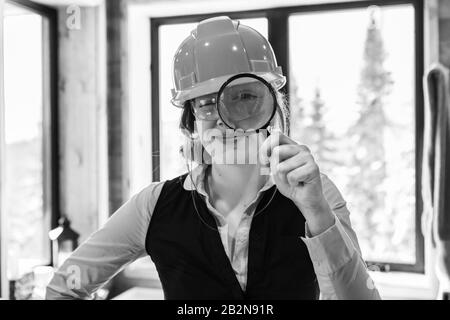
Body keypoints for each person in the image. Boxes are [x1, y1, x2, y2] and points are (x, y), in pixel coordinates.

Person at [46, 16, 381, 300]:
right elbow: (63, 287)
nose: (223, 116)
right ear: (192, 119)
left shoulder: (317, 193)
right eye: (206, 103)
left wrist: (317, 213)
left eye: (244, 97)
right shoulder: (154, 206)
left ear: (270, 105)